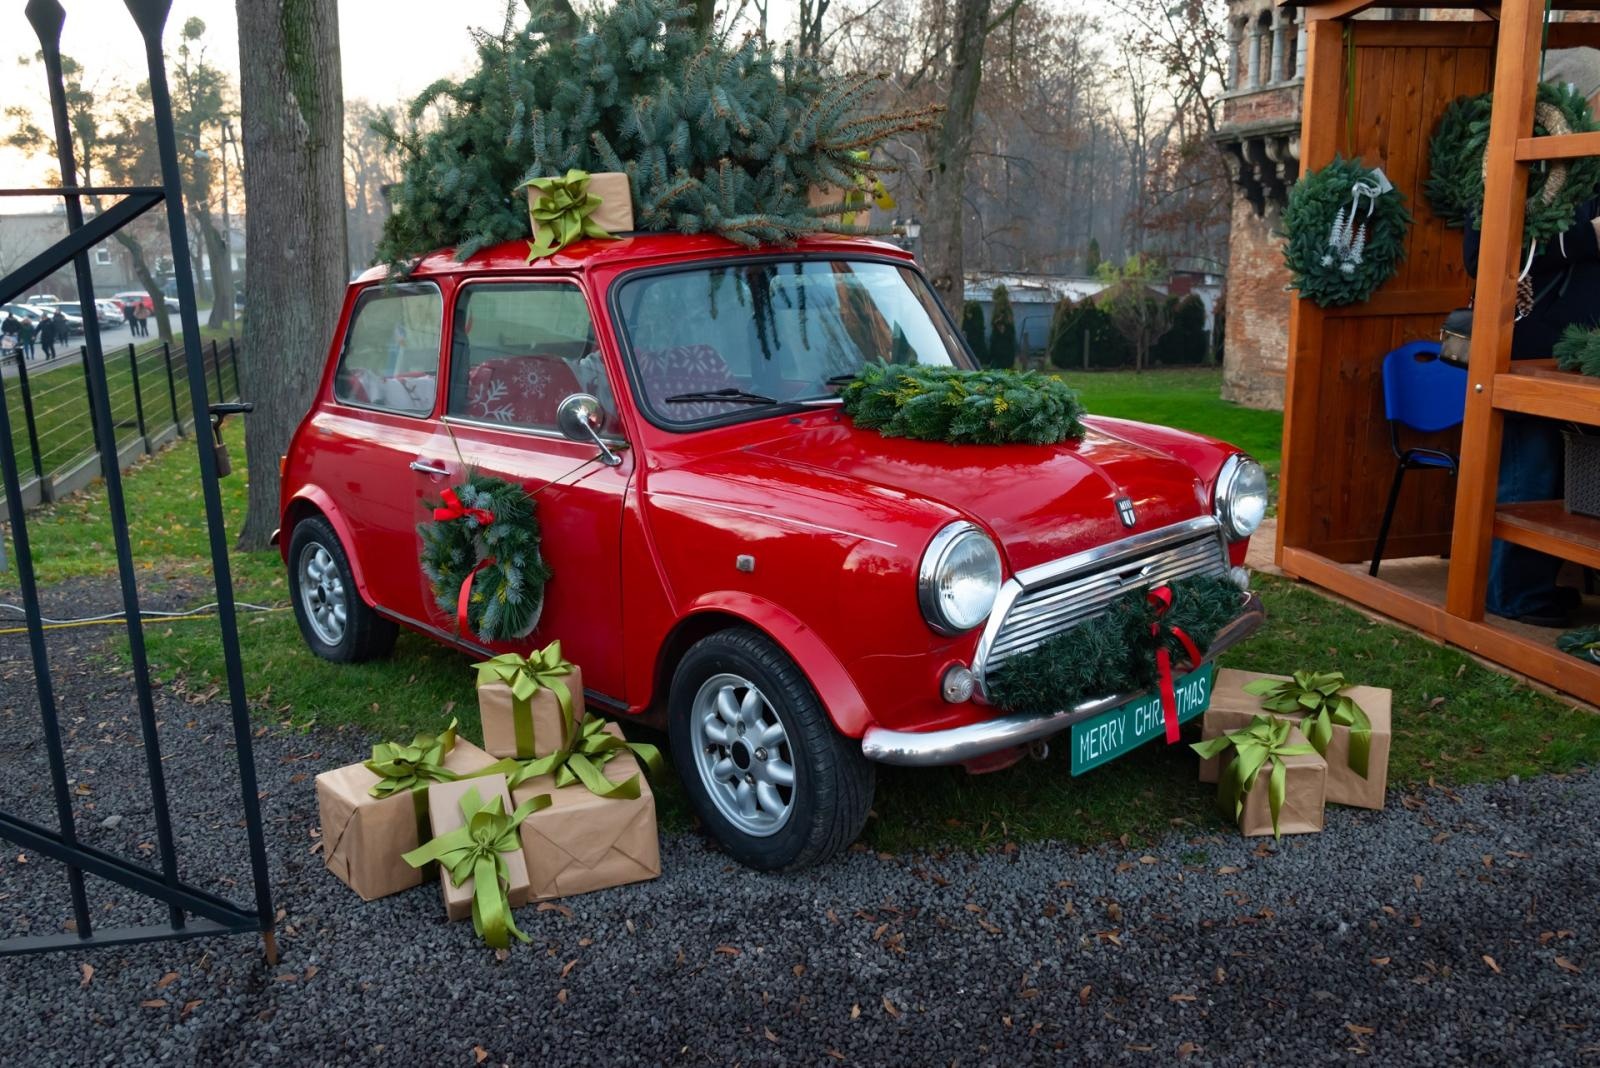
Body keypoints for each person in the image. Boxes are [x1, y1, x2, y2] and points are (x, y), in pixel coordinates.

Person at [1463, 48, 1600, 627]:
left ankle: (1534, 588)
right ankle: (1514, 594)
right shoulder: (1511, 166)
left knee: (1562, 477)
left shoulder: (1589, 169)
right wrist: (1587, 238)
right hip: (1526, 348)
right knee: (1530, 471)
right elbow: (1485, 255)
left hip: (1576, 355)